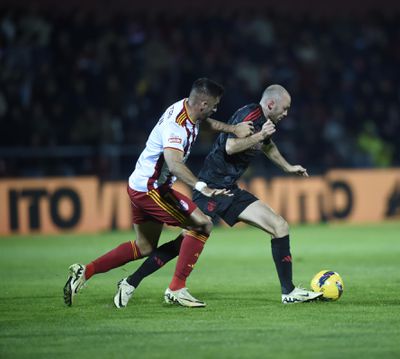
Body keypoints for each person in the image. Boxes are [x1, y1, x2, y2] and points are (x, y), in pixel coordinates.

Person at [113, 84, 323, 308]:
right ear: (271, 104)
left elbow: (267, 146)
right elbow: (231, 147)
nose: (286, 114)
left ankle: (288, 292)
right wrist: (260, 135)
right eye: (285, 108)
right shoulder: (250, 116)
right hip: (212, 188)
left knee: (279, 226)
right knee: (184, 242)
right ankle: (133, 282)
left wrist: (288, 167)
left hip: (230, 188)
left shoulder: (265, 122)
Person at [64, 78, 254, 308]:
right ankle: (177, 288)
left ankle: (85, 272)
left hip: (139, 184)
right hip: (151, 189)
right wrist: (203, 187)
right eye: (214, 105)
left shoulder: (187, 107)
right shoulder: (176, 125)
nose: (216, 109)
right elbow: (174, 164)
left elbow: (203, 123)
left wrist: (233, 128)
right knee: (203, 224)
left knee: (144, 247)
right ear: (203, 103)